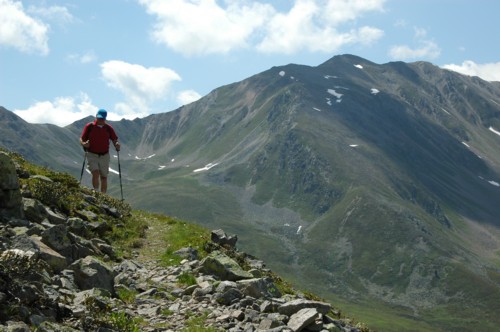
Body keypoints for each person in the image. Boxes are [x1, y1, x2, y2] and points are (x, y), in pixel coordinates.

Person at [79, 109, 120, 193]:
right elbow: (81, 139)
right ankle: (96, 192)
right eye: (99, 118)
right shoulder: (89, 126)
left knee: (104, 177)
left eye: (102, 119)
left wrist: (116, 144)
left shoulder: (108, 128)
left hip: (104, 155)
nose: (100, 120)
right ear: (96, 116)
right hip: (91, 154)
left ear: (105, 118)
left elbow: (114, 139)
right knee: (96, 173)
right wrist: (84, 143)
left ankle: (103, 196)